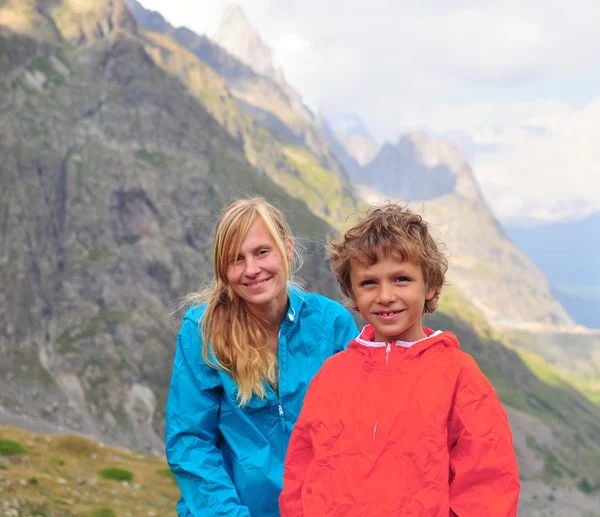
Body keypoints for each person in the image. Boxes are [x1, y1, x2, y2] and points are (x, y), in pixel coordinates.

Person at [279, 203, 520, 517]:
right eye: (369, 283)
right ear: (351, 292)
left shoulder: (460, 376)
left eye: (401, 279)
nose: (385, 296)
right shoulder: (333, 376)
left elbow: (488, 488)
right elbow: (301, 473)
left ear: (430, 284)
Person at [165, 197, 358, 517]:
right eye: (236, 259)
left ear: (288, 248)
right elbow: (191, 443)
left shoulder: (332, 323)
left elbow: (355, 434)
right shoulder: (202, 331)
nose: (251, 269)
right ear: (223, 269)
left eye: (262, 252)